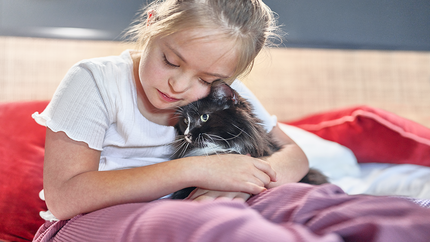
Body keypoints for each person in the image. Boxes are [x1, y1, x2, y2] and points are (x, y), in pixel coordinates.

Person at [32, 0, 430, 241]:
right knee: (210, 227)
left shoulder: (219, 90)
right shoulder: (94, 80)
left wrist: (242, 183)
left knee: (316, 203)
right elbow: (66, 198)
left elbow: (294, 156)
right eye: (171, 60)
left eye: (208, 79)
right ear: (152, 22)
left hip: (207, 199)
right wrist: (202, 171)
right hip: (86, 225)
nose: (181, 84)